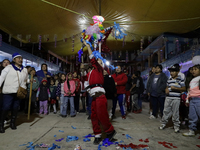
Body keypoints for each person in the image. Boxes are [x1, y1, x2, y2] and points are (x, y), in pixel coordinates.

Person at [82, 40, 116, 145]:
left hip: (101, 96)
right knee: (94, 116)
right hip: (94, 97)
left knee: (102, 115)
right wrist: (89, 91)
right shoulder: (90, 72)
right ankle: (97, 134)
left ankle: (110, 131)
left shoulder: (99, 69)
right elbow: (86, 83)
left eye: (100, 61)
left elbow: (92, 58)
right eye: (98, 61)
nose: (98, 61)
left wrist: (88, 46)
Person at [0, 53, 29, 133]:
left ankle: (12, 123)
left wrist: (30, 81)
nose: (20, 59)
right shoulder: (8, 68)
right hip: (8, 92)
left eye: (21, 58)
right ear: (14, 60)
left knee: (15, 108)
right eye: (18, 58)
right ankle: (1, 124)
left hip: (19, 92)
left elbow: (26, 79)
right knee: (6, 107)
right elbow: (1, 77)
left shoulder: (24, 69)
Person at [159, 64, 185, 133]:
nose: (171, 73)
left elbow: (184, 88)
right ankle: (163, 124)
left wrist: (176, 88)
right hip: (168, 98)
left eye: (173, 71)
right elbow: (167, 87)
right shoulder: (169, 79)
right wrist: (166, 89)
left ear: (177, 72)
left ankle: (176, 126)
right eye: (171, 71)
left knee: (175, 113)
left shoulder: (180, 79)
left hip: (176, 98)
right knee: (166, 111)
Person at [183, 64, 200, 136]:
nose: (193, 71)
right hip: (192, 100)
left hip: (198, 99)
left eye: (196, 69)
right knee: (192, 116)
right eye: (193, 69)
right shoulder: (192, 80)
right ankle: (191, 130)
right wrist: (187, 100)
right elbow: (189, 91)